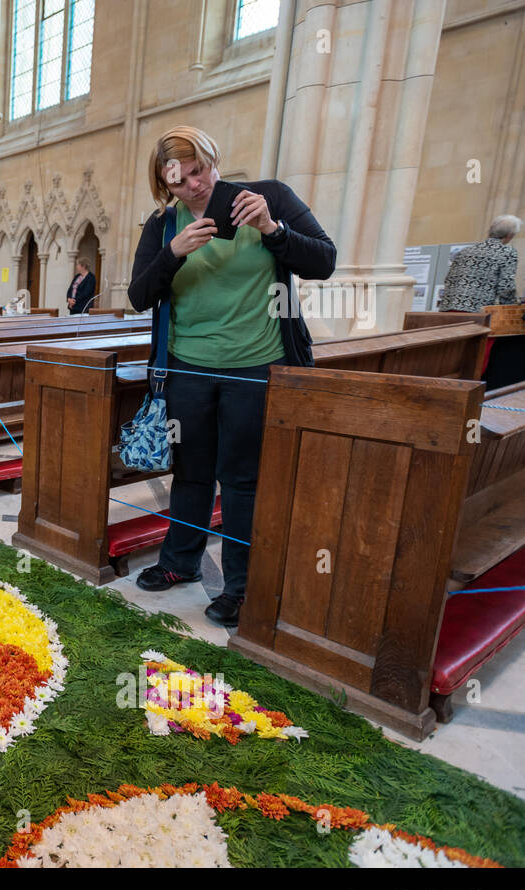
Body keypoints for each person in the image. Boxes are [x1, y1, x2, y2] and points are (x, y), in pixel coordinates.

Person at [126, 125, 335, 627]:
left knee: (242, 481)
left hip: (255, 368)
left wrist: (272, 230)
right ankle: (180, 564)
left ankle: (240, 588)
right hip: (188, 368)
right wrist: (172, 254)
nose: (194, 186)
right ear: (164, 186)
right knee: (192, 473)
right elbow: (139, 295)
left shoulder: (268, 199)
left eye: (199, 171)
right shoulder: (162, 225)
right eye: (179, 182)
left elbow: (324, 261)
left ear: (212, 159)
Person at [438, 215, 520, 313]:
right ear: (510, 235)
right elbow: (506, 286)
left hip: (448, 309)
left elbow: (449, 279)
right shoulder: (507, 252)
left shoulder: (465, 251)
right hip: (477, 311)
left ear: (489, 232)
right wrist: (512, 309)